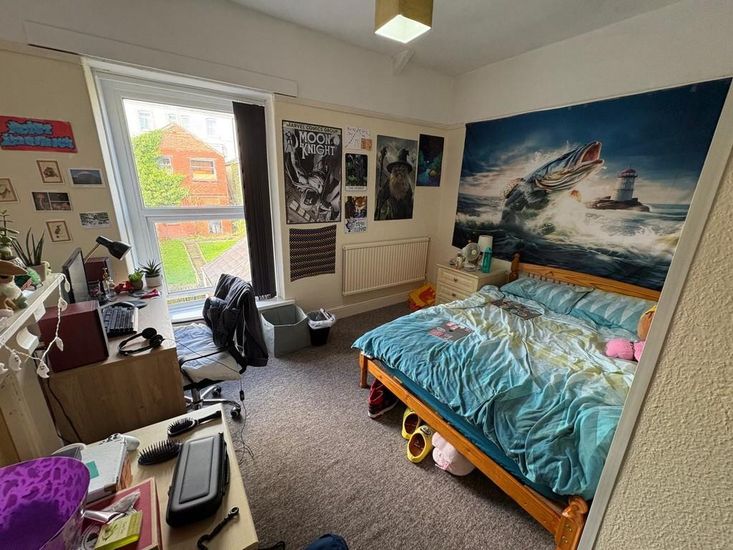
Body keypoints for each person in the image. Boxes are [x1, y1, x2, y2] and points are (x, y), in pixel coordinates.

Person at [376, 148, 414, 220]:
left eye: (402, 169)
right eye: (397, 169)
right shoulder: (389, 183)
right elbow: (381, 199)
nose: (399, 171)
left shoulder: (407, 186)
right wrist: (380, 195)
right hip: (391, 219)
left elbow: (410, 206)